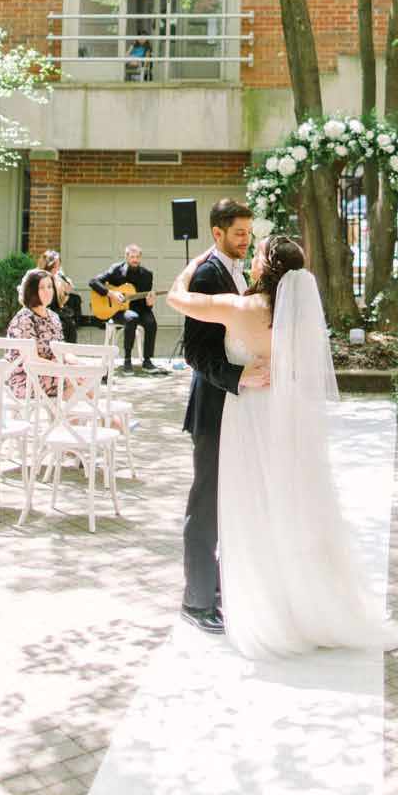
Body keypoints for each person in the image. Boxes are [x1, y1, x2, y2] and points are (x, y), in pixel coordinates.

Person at [168, 232, 398, 659]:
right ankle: (298, 601)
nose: (252, 257)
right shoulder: (298, 318)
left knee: (249, 506)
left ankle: (259, 604)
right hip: (286, 416)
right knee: (287, 502)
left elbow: (177, 299)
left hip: (246, 416)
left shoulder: (241, 308)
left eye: (258, 254)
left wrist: (193, 264)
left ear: (266, 267)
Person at [169, 199, 265, 634]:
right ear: (217, 232)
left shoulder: (234, 270)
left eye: (249, 232)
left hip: (236, 409)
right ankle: (196, 600)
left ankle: (219, 587)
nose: (246, 240)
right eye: (239, 233)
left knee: (228, 501)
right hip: (212, 407)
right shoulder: (208, 274)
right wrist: (238, 376)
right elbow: (195, 352)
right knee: (206, 504)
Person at [89, 244, 160, 373]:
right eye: (132, 257)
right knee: (132, 318)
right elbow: (93, 282)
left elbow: (146, 301)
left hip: (139, 308)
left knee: (151, 322)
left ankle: (147, 360)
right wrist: (111, 293)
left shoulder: (147, 274)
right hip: (119, 310)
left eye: (137, 257)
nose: (135, 260)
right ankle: (127, 359)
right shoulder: (116, 269)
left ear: (141, 258)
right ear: (126, 257)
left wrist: (150, 303)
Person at [6, 269, 64, 398]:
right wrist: (64, 369)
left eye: (50, 286)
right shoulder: (24, 319)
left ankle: (62, 411)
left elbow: (61, 349)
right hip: (26, 379)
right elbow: (31, 359)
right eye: (41, 288)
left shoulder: (53, 316)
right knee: (77, 382)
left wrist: (77, 363)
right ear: (31, 291)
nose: (47, 291)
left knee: (86, 378)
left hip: (51, 372)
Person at [38, 249, 81, 344]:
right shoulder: (37, 277)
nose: (57, 269)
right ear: (48, 265)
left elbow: (60, 303)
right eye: (55, 266)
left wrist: (66, 292)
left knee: (70, 325)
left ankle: (69, 350)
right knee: (65, 325)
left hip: (55, 312)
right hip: (41, 313)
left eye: (58, 266)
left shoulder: (57, 280)